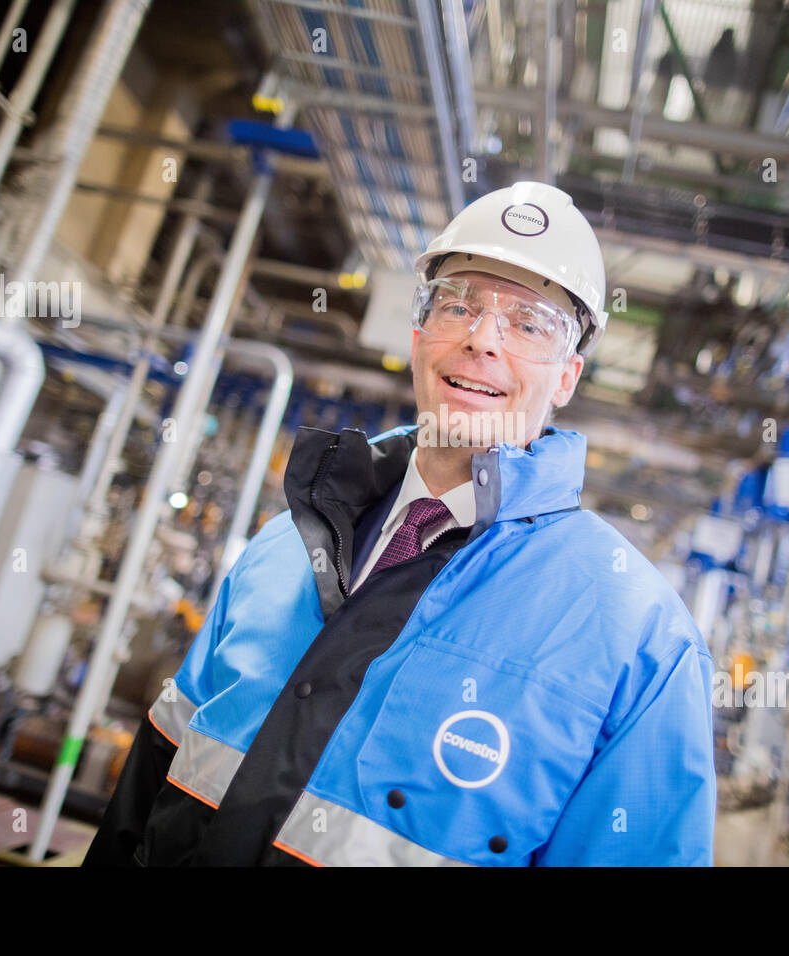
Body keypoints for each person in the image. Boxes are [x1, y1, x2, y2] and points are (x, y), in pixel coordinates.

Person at [83, 181, 716, 867]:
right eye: (458, 305)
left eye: (530, 324)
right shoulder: (284, 546)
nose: (481, 341)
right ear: (418, 334)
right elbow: (146, 791)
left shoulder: (639, 639)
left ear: (567, 377)